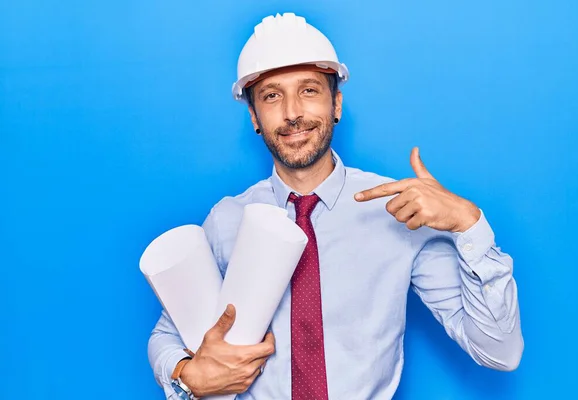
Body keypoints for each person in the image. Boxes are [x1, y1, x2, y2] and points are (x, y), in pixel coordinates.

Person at [148, 12, 524, 400]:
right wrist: (185, 377)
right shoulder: (227, 220)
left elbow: (499, 351)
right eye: (272, 96)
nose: (292, 112)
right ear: (254, 117)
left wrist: (469, 225)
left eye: (308, 90)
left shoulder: (397, 210)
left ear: (336, 104)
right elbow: (167, 334)